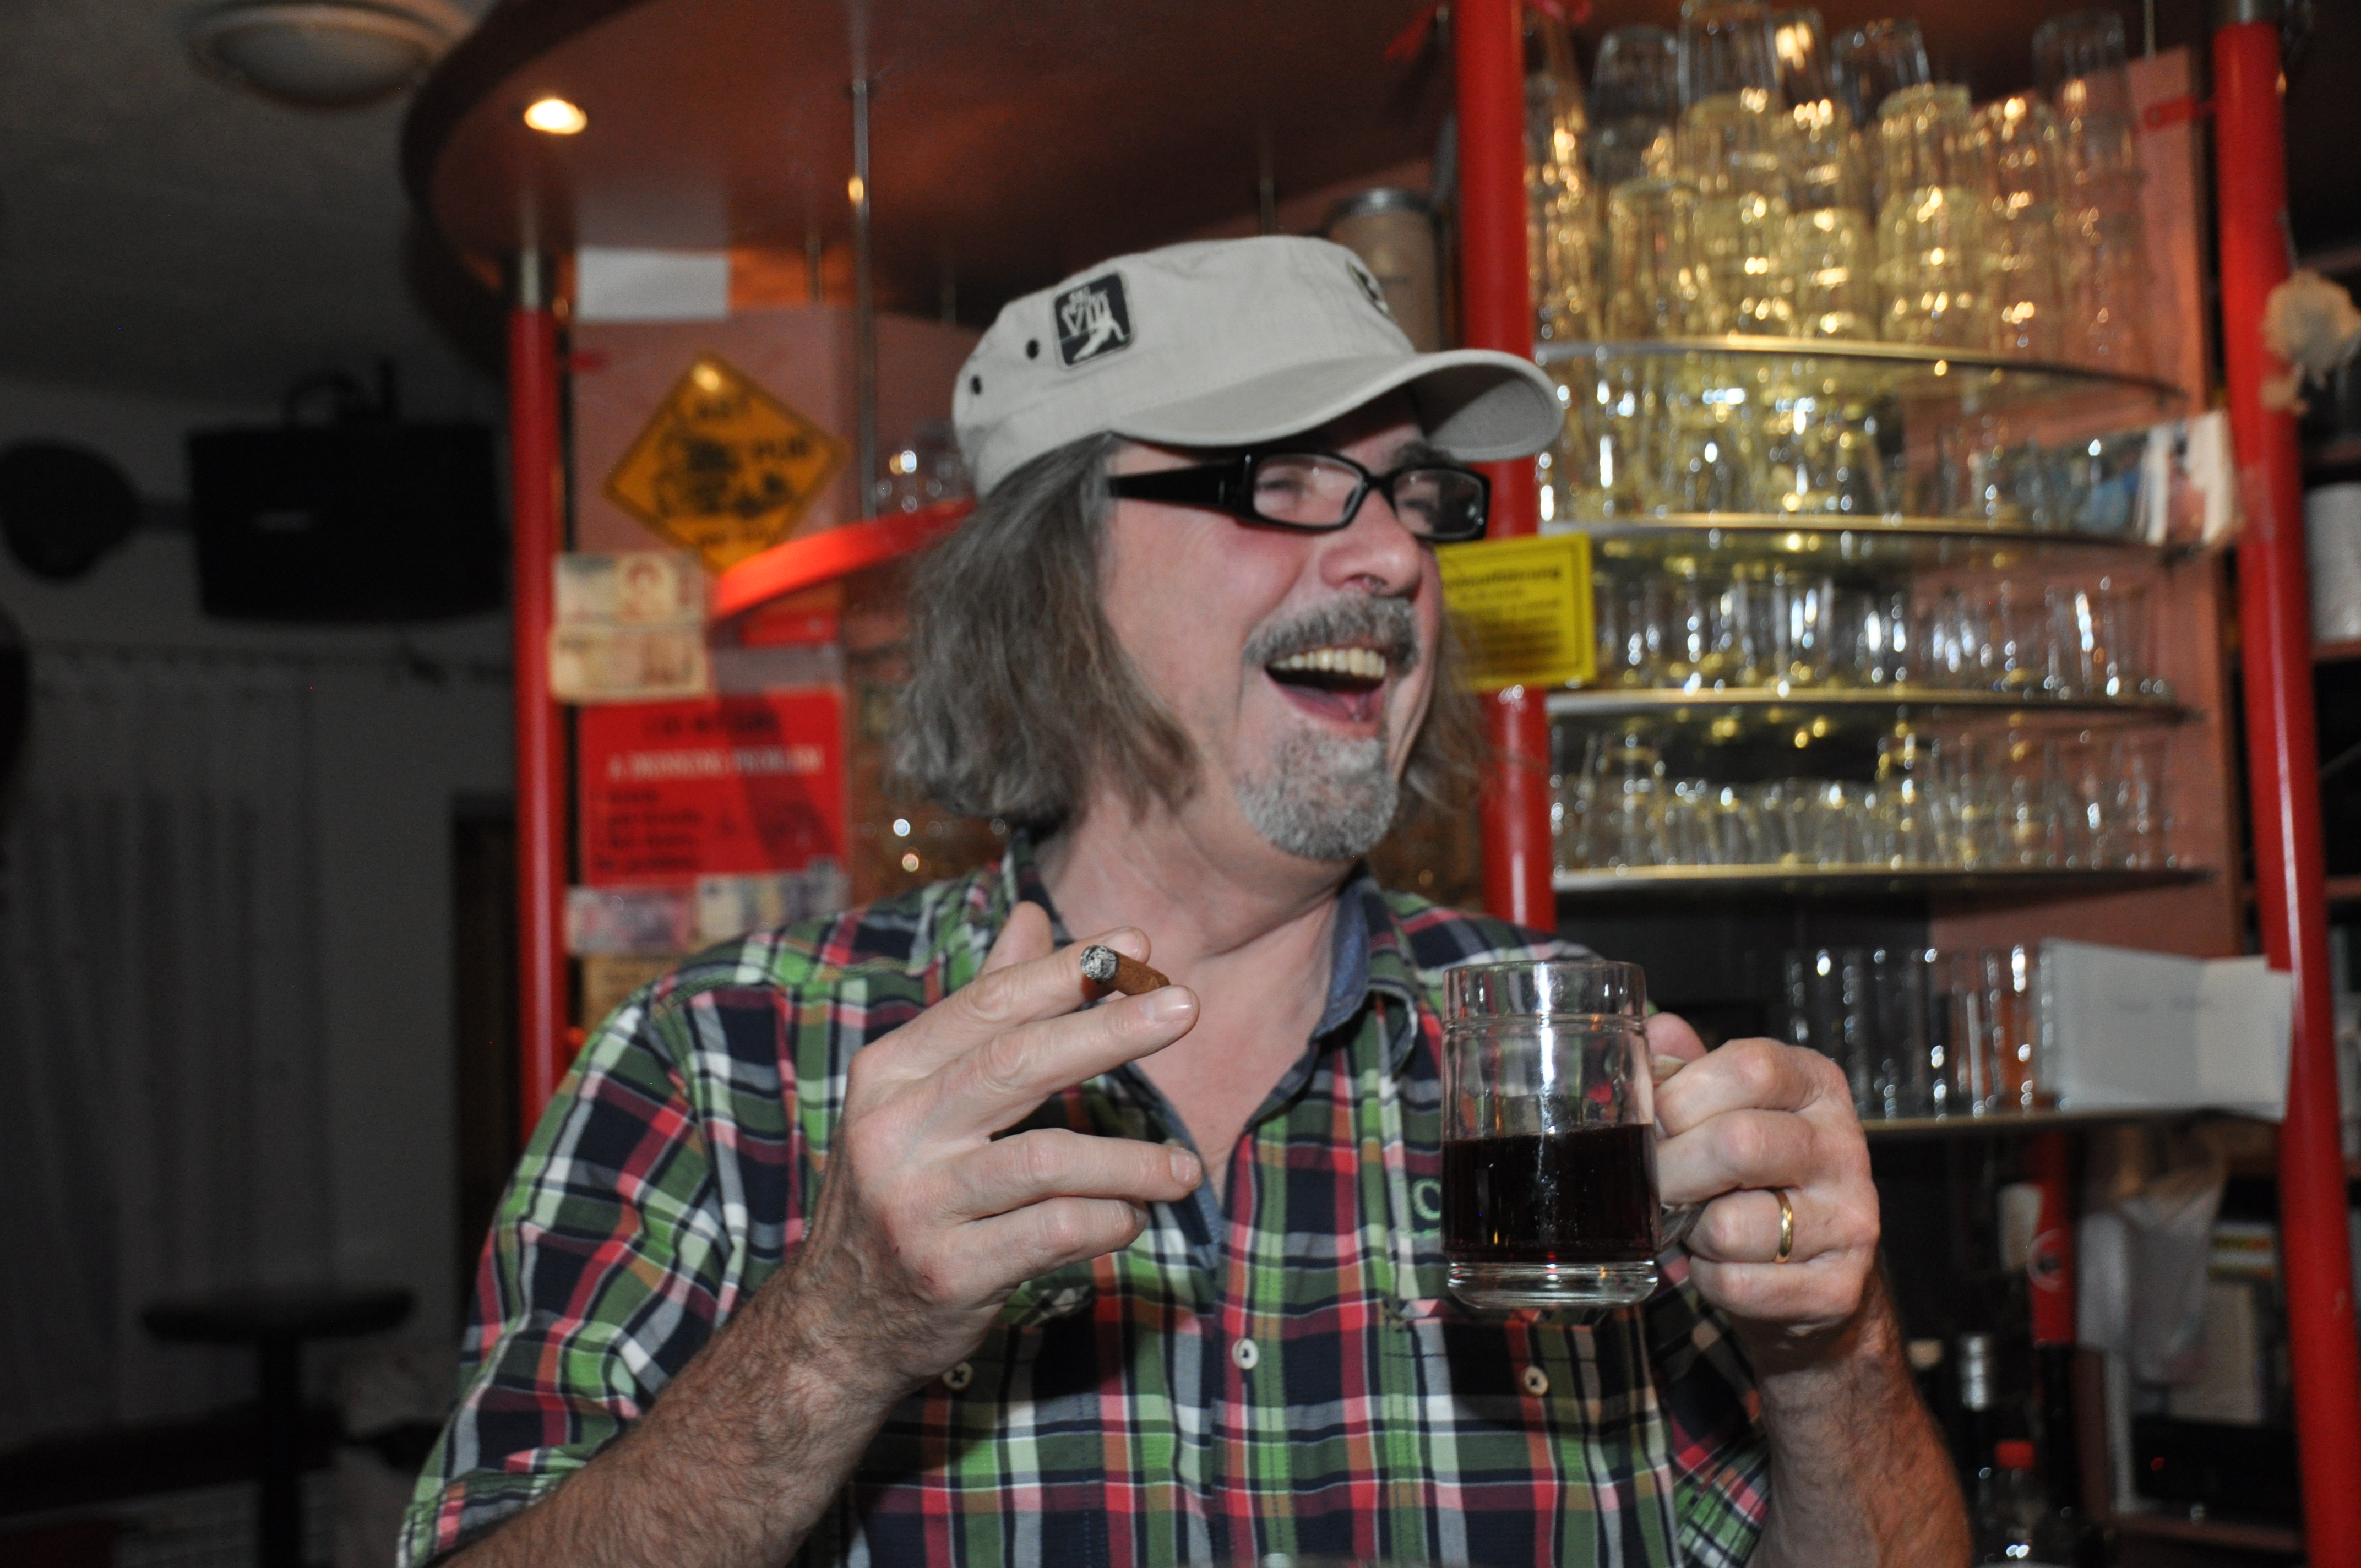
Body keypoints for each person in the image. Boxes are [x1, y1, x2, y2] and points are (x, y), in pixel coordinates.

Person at [400, 236, 1967, 1568]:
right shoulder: (721, 1060)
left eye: (1417, 495)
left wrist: (1831, 1352)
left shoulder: (1566, 1060)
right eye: (1287, 481)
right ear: (1054, 581)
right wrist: (839, 1333)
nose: (1393, 557)